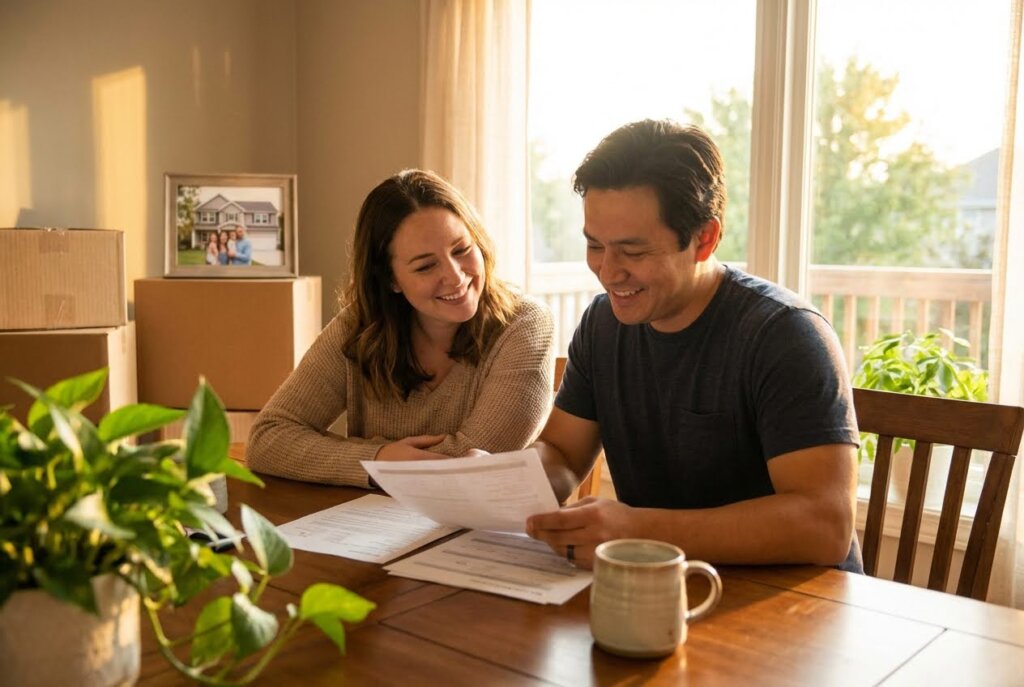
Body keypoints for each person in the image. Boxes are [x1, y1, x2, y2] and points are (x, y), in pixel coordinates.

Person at [525, 119, 861, 573]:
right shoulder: (603, 325)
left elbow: (825, 527)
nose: (608, 271)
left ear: (704, 238)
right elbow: (562, 456)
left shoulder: (785, 335)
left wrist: (639, 529)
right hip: (660, 589)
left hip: (794, 607)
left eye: (633, 251)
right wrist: (499, 481)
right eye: (594, 245)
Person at [247, 169, 554, 486]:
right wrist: (377, 459)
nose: (456, 276)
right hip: (369, 527)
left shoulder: (525, 325)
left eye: (462, 250)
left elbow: (470, 464)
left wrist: (382, 466)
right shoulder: (359, 327)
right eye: (425, 265)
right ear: (391, 279)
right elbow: (268, 439)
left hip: (482, 529)